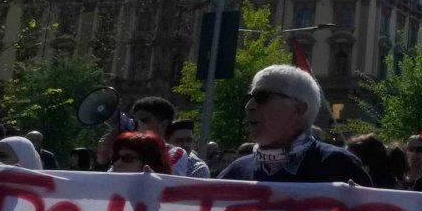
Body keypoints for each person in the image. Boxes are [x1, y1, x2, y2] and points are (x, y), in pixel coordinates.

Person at [219, 66, 370, 185]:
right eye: (248, 98)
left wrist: (356, 206)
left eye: (262, 97)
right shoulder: (236, 173)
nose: (249, 107)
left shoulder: (339, 166)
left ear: (299, 109)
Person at [127, 97, 208, 176]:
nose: (137, 124)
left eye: (144, 120)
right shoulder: (126, 150)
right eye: (135, 120)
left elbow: (168, 181)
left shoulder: (176, 153)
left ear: (163, 125)